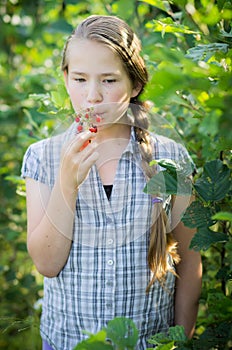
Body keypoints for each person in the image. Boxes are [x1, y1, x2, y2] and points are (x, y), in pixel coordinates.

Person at [21, 15, 202, 350]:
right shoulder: (42, 156)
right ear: (65, 78)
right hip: (67, 342)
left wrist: (181, 339)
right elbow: (47, 263)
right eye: (79, 79)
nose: (92, 96)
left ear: (134, 85)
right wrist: (67, 183)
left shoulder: (168, 156)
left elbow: (190, 261)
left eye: (108, 80)